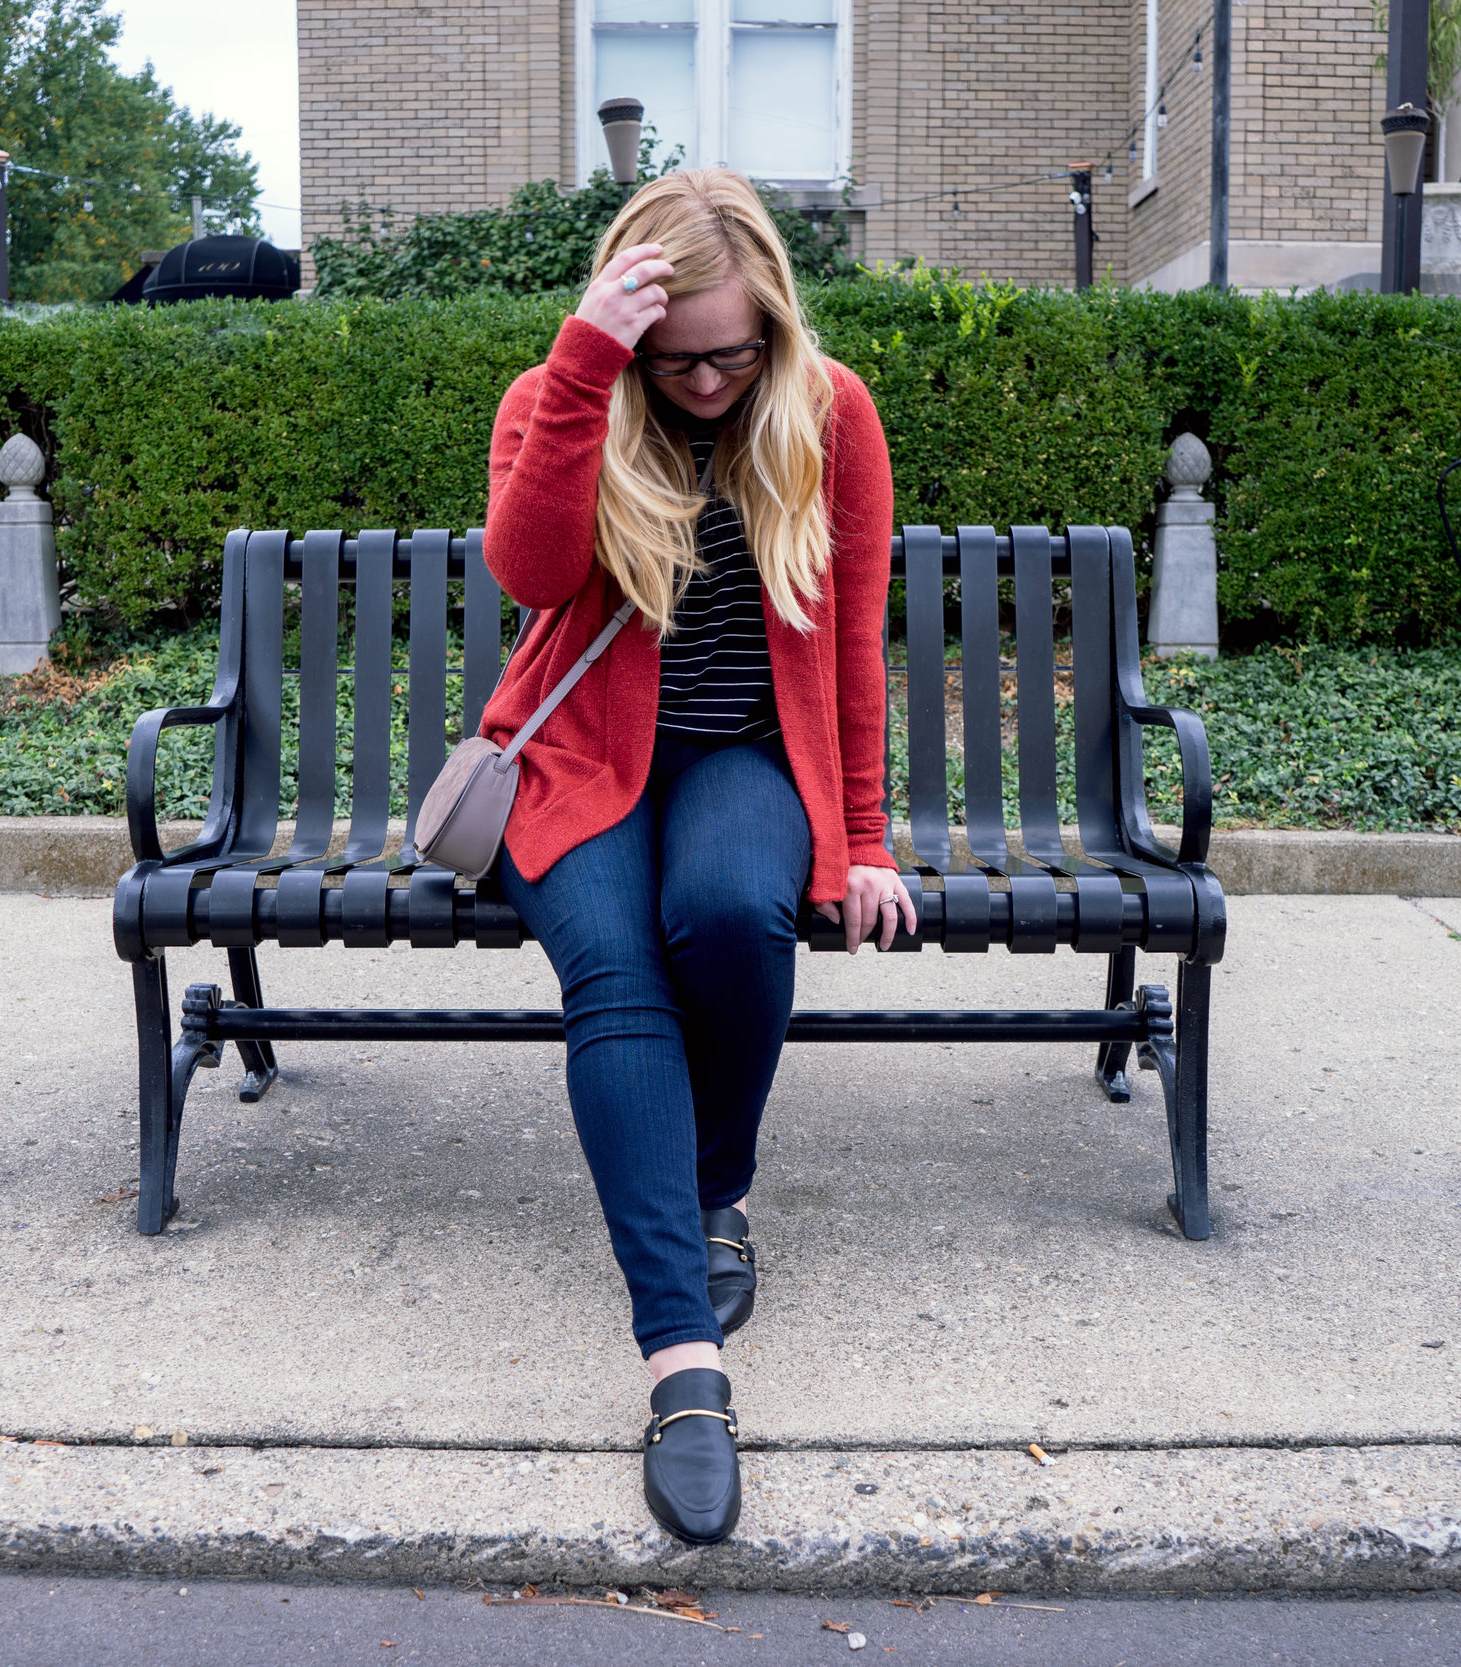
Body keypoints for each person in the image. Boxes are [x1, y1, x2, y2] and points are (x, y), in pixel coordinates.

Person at [481, 167, 911, 1546]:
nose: (711, 383)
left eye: (735, 352)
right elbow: (534, 574)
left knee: (731, 915)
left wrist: (863, 841)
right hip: (579, 761)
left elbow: (849, 641)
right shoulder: (568, 395)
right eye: (680, 361)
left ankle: (714, 1186)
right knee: (616, 970)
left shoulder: (829, 413)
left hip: (743, 761)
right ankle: (684, 1368)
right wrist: (591, 359)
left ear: (774, 324)